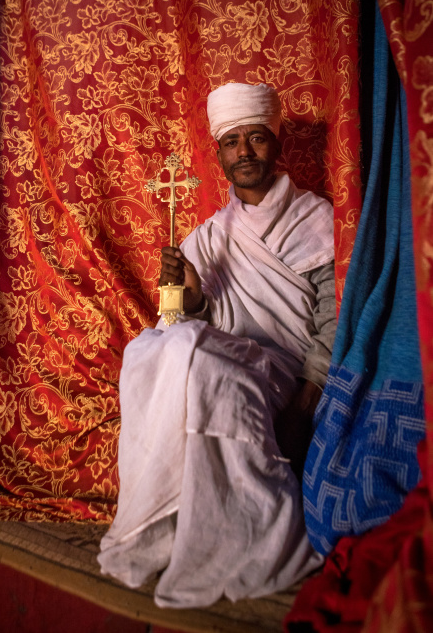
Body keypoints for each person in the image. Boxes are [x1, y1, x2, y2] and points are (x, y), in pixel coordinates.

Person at [98, 82, 336, 609]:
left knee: (194, 356)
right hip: (222, 355)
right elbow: (183, 321)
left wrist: (306, 399)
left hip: (281, 370)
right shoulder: (205, 239)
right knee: (148, 350)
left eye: (255, 138)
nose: (244, 151)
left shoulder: (318, 221)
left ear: (276, 144)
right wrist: (193, 297)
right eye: (232, 142)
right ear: (219, 153)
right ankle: (165, 522)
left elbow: (331, 323)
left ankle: (247, 530)